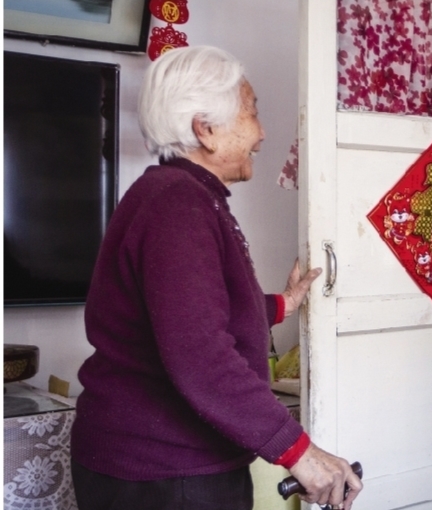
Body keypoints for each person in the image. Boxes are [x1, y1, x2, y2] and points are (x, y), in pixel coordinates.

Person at [69, 46, 362, 510]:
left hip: (162, 466)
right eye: (252, 113)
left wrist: (282, 303)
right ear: (205, 129)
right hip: (165, 472)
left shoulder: (180, 195)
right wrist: (298, 451)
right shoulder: (177, 205)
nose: (262, 133)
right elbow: (199, 353)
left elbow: (197, 309)